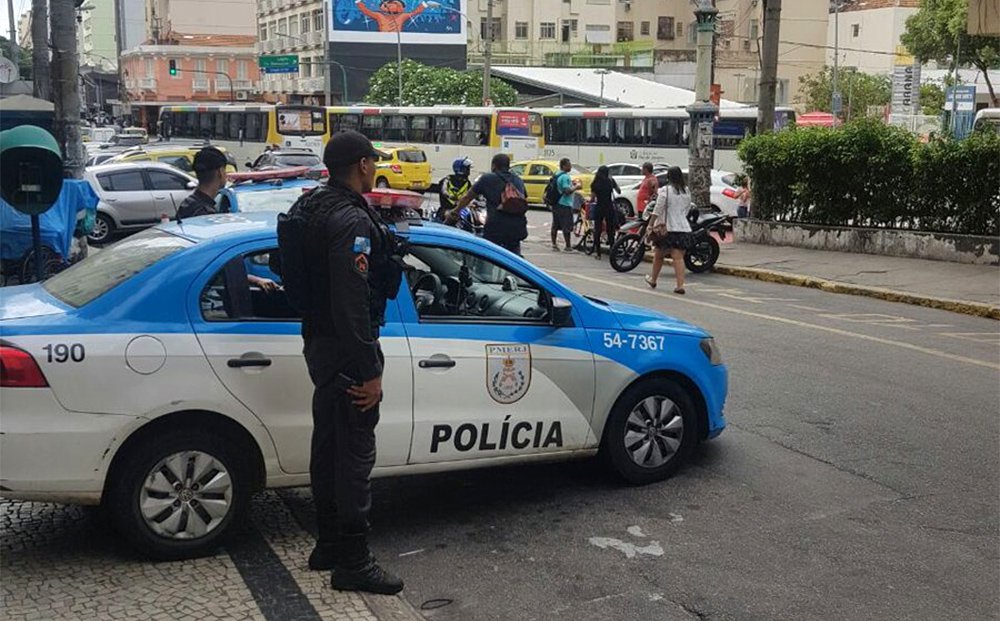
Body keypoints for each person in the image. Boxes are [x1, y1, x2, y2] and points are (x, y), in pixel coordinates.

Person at [280, 130, 404, 595]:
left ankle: (328, 543)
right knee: (353, 456)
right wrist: (370, 369)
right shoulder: (350, 220)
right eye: (373, 160)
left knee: (328, 447)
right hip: (347, 350)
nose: (375, 167)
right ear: (363, 165)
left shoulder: (311, 205)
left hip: (319, 344)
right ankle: (353, 561)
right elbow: (351, 301)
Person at [456, 153, 528, 255]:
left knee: (487, 257)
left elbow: (467, 197)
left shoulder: (487, 179)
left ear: (493, 165)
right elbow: (524, 199)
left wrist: (455, 211)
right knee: (514, 258)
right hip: (517, 228)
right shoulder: (518, 180)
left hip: (496, 228)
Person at [645, 166, 693, 295]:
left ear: (668, 177)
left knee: (659, 255)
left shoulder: (665, 190)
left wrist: (650, 225)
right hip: (683, 227)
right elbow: (687, 208)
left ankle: (653, 279)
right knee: (678, 258)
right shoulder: (686, 191)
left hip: (667, 228)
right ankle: (680, 285)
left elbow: (658, 208)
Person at [589, 165, 620, 259]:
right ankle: (612, 250)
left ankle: (598, 253)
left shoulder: (595, 183)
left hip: (599, 207)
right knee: (610, 229)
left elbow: (592, 198)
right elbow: (619, 191)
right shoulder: (610, 181)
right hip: (609, 207)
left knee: (597, 230)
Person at [550, 158, 580, 252]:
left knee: (555, 224)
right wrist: (576, 187)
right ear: (564, 166)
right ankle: (568, 246)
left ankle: (554, 244)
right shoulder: (565, 177)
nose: (570, 167)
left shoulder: (557, 174)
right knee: (566, 225)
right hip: (564, 203)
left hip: (556, 203)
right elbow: (567, 191)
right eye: (569, 165)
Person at [437, 156, 473, 222]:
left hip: (462, 210)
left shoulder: (467, 183)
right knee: (450, 217)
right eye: (467, 169)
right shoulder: (447, 180)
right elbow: (444, 191)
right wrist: (452, 197)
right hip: (447, 209)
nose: (468, 171)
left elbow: (471, 194)